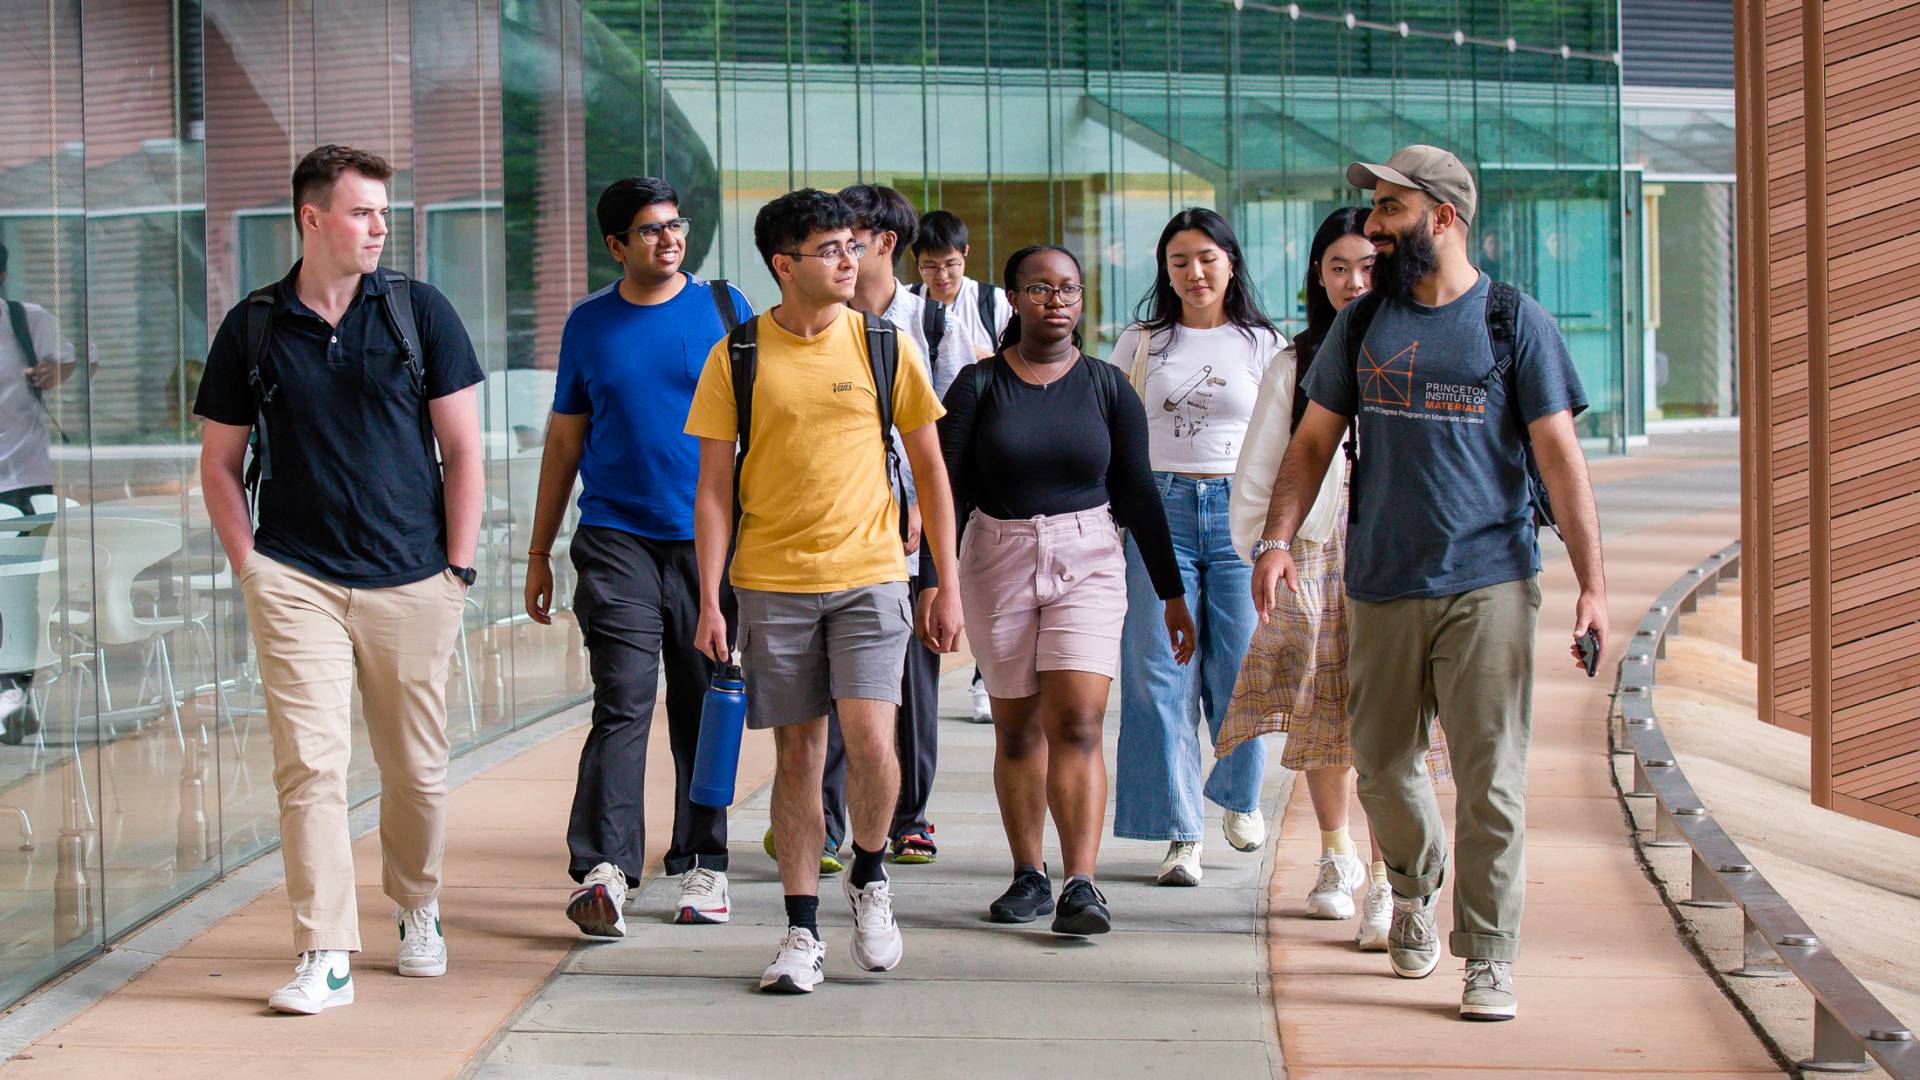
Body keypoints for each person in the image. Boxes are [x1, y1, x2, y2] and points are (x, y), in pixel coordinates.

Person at [1253, 145, 1608, 1022]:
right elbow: (1310, 444)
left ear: (1444, 218)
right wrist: (1275, 538)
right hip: (1380, 578)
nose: (1372, 227)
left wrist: (1592, 585)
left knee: (1492, 779)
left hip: (1489, 575)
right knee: (1379, 763)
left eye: (1390, 210)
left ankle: (1488, 956)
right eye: (1372, 209)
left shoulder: (1512, 321)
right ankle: (1414, 884)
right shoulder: (1364, 323)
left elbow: (1560, 459)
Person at [195, 144, 483, 1014]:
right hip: (296, 579)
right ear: (312, 218)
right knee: (310, 769)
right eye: (363, 212)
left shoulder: (416, 312)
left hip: (412, 575)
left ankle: (417, 904)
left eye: (383, 213)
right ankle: (324, 951)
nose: (379, 227)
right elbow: (218, 462)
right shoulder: (253, 325)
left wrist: (457, 571)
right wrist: (251, 567)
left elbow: (464, 449)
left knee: (416, 772)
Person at [685, 188, 963, 996]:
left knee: (873, 743)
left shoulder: (884, 345)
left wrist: (943, 583)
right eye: (831, 249)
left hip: (873, 574)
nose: (851, 260)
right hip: (770, 583)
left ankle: (869, 873)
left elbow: (934, 472)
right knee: (798, 755)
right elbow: (711, 492)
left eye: (854, 246)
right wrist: (711, 598)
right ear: (784, 264)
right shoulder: (737, 354)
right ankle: (801, 931)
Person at [939, 243, 1195, 937]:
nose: (1056, 300)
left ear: (1083, 301)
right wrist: (939, 587)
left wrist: (1172, 594)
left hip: (1088, 555)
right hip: (997, 555)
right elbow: (950, 491)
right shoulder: (977, 384)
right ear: (1015, 300)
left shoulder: (1110, 387)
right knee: (1019, 728)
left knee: (1078, 722)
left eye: (1069, 289)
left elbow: (1137, 493)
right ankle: (1029, 874)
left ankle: (1082, 884)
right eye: (1040, 288)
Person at [525, 177, 753, 938]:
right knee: (621, 698)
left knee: (702, 702)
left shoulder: (727, 310)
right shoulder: (590, 325)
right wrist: (537, 550)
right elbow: (565, 440)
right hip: (616, 537)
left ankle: (703, 862)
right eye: (650, 230)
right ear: (617, 245)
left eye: (676, 225)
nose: (669, 239)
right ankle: (605, 870)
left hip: (709, 542)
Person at [1218, 206, 1450, 950]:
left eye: (1367, 267)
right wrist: (1265, 545)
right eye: (1337, 267)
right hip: (1317, 550)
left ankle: (1390, 881)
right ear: (1317, 275)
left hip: (1397, 549)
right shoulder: (1299, 359)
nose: (1354, 281)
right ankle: (1336, 854)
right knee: (1325, 703)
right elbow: (1263, 460)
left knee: (1394, 715)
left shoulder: (1422, 343)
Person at [1108, 208, 1280, 888]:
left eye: (1207, 257)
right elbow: (1114, 431)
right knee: (1157, 672)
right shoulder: (1143, 340)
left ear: (1231, 262)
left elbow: (1287, 441)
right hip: (1160, 511)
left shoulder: (1264, 343)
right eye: (1179, 260)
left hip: (1241, 512)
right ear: (1165, 270)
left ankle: (1237, 795)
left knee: (1240, 666)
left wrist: (1279, 533)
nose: (1194, 271)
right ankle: (1181, 833)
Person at [804, 183, 975, 867]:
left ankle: (911, 816)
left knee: (911, 681)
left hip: (912, 537)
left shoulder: (929, 325)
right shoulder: (818, 321)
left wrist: (937, 557)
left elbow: (955, 448)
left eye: (853, 235)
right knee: (835, 683)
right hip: (835, 534)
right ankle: (824, 821)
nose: (841, 248)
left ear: (885, 243)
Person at [910, 208, 1011, 725]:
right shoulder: (910, 309)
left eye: (949, 265)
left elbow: (1020, 360)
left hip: (987, 444)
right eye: (930, 267)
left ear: (965, 256)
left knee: (985, 562)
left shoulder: (993, 302)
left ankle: (983, 674)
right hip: (933, 444)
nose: (941, 276)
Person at [0, 240, 79, 744]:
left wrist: (55, 373)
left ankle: (14, 692)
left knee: (18, 591)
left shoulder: (26, 320)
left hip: (24, 479)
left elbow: (77, 362)